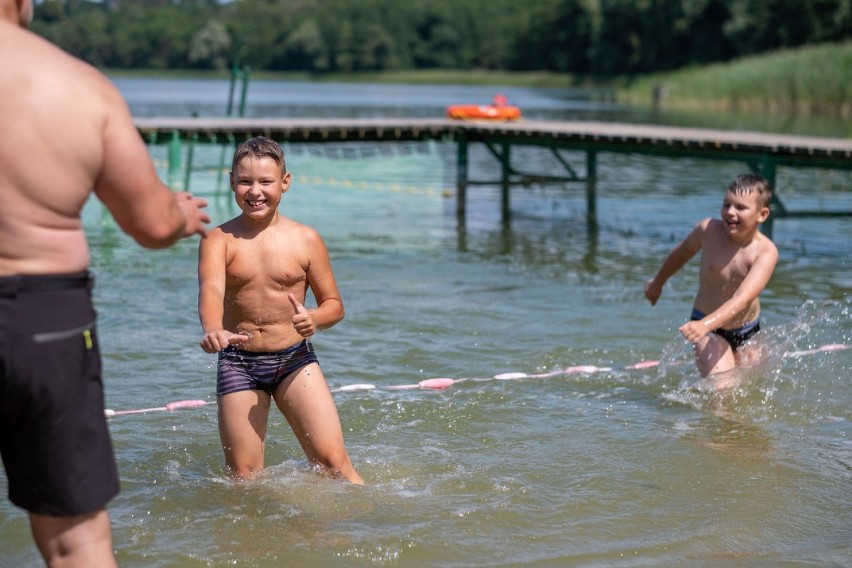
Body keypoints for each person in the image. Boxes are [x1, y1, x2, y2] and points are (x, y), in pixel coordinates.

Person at [0, 1, 210, 566]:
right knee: (75, 541)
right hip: (44, 325)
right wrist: (182, 215)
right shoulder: (77, 87)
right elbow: (151, 224)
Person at [198, 136, 363, 485]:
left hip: (294, 359)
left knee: (333, 463)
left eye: (265, 182)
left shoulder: (306, 240)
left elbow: (335, 306)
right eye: (245, 181)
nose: (254, 191)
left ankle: (370, 523)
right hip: (238, 362)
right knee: (244, 477)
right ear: (231, 182)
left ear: (284, 183)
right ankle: (253, 539)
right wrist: (213, 327)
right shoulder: (218, 240)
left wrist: (313, 318)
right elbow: (211, 288)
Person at [644, 173, 778, 384]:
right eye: (727, 204)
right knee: (722, 389)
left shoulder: (766, 252)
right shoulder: (708, 230)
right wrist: (658, 282)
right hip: (708, 327)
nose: (730, 212)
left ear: (761, 215)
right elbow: (681, 254)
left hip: (747, 331)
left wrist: (705, 324)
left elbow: (742, 298)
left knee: (751, 390)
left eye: (740, 208)